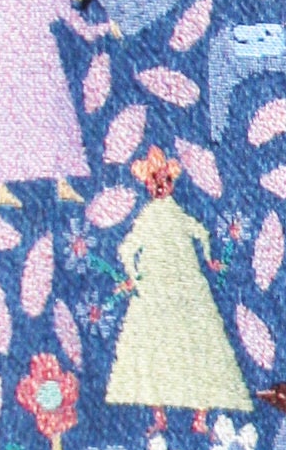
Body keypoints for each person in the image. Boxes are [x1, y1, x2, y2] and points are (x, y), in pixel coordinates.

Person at [104, 147, 252, 416]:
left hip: (181, 285)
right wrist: (133, 276)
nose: (161, 187)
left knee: (193, 340)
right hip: (159, 288)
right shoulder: (149, 218)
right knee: (160, 344)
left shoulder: (174, 214)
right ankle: (162, 415)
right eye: (155, 182)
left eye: (165, 181)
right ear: (147, 185)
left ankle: (200, 415)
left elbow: (200, 232)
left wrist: (209, 259)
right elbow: (128, 248)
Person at [0, 0, 108, 203]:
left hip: (33, 47)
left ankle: (61, 183)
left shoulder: (64, 8)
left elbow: (85, 31)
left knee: (50, 111)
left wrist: (107, 27)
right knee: (6, 108)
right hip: (5, 29)